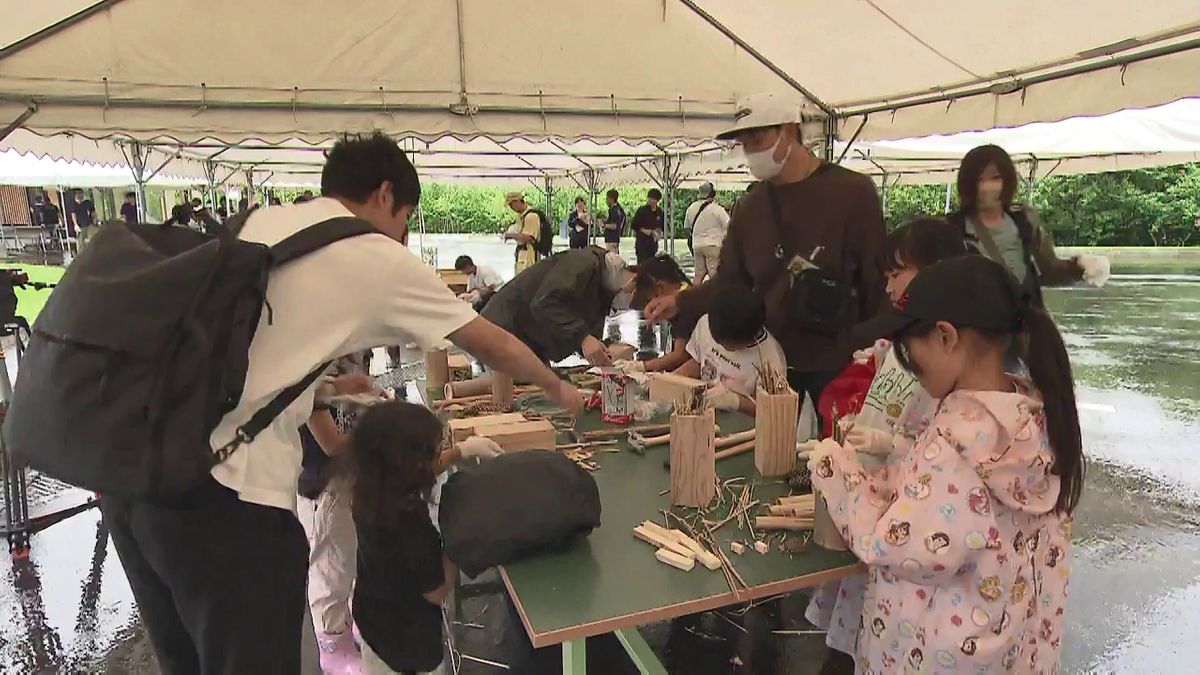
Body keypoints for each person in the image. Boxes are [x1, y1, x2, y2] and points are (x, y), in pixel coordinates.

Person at [100, 132, 581, 675]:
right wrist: (561, 388)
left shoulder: (262, 224)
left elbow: (244, 361)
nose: (401, 236)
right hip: (223, 498)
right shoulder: (368, 251)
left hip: (132, 479)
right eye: (405, 218)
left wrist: (323, 388)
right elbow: (488, 340)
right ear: (384, 195)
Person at [809, 254, 1081, 673]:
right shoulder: (1035, 419)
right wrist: (892, 480)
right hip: (1006, 653)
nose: (909, 367)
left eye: (908, 351)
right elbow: (957, 511)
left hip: (933, 655)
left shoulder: (954, 444)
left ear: (946, 337)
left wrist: (834, 469)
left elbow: (892, 545)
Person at [645, 92, 887, 422]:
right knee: (772, 449)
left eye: (757, 138)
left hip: (839, 356)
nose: (751, 151)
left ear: (789, 131)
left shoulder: (853, 194)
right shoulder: (751, 207)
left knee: (839, 451)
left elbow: (876, 281)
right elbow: (730, 280)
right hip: (772, 357)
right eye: (745, 143)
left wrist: (875, 354)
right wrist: (681, 302)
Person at [802, 217, 963, 669]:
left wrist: (887, 442)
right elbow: (886, 397)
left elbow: (932, 454)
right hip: (867, 504)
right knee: (850, 627)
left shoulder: (944, 366)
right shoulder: (904, 343)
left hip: (890, 518)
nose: (887, 285)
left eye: (896, 273)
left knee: (869, 624)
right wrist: (864, 421)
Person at [347, 401, 500, 675]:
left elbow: (415, 475)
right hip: (406, 642)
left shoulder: (371, 489)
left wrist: (460, 451)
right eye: (436, 452)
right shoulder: (409, 528)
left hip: (372, 616)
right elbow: (438, 590)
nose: (439, 456)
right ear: (412, 464)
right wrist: (457, 532)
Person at [949, 144, 1109, 304]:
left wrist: (1082, 266)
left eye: (995, 178)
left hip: (1021, 318)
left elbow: (1051, 270)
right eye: (979, 179)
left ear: (1008, 180)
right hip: (974, 320)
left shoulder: (1025, 220)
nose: (986, 186)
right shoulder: (951, 228)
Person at [482, 246, 635, 367]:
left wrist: (605, 348)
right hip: (504, 330)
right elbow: (545, 302)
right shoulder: (583, 263)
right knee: (512, 394)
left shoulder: (602, 290)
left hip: (529, 341)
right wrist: (583, 338)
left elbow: (581, 333)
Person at [672, 283, 786, 417]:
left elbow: (773, 413)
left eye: (727, 344)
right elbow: (698, 362)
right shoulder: (706, 323)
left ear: (749, 336)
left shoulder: (770, 360)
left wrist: (735, 401)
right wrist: (672, 378)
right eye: (716, 340)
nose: (721, 345)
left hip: (744, 427)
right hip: (706, 414)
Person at [621, 255, 697, 373]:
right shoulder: (688, 292)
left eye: (649, 300)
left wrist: (643, 366)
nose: (650, 307)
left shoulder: (684, 309)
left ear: (660, 287)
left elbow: (680, 355)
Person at [684, 182, 730, 284]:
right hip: (713, 244)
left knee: (698, 275)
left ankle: (694, 296)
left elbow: (687, 227)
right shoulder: (717, 209)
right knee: (714, 274)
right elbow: (728, 225)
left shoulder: (691, 208)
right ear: (712, 194)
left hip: (696, 244)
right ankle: (714, 297)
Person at [502, 191, 542, 274]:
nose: (511, 208)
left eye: (511, 205)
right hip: (521, 256)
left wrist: (511, 235)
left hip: (529, 256)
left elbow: (529, 237)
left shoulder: (531, 216)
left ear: (517, 201)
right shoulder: (521, 217)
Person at [631, 188, 665, 265]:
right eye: (650, 198)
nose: (651, 200)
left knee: (652, 265)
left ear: (657, 200)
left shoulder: (660, 212)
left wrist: (659, 234)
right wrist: (646, 231)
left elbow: (662, 226)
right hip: (642, 243)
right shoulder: (641, 210)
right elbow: (634, 225)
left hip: (653, 245)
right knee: (642, 265)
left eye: (653, 199)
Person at [600, 189, 625, 255]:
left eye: (607, 198)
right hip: (613, 239)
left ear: (611, 199)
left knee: (612, 259)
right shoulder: (617, 209)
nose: (606, 200)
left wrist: (604, 225)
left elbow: (615, 226)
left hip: (612, 239)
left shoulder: (615, 210)